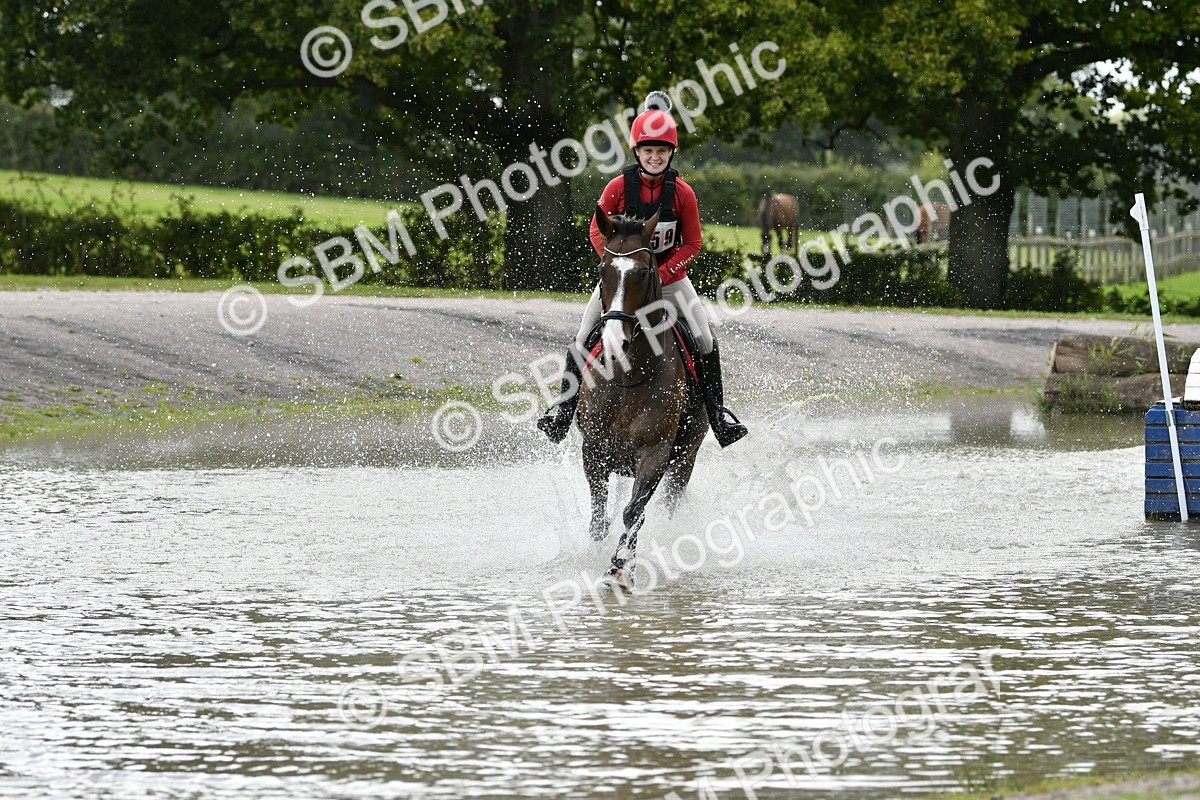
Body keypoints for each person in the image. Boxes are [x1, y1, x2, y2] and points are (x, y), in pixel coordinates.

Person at [537, 91, 748, 448]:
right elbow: (595, 228)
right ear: (637, 152)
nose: (654, 157)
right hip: (624, 279)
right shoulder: (618, 187)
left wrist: (660, 275)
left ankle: (718, 415)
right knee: (583, 335)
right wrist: (619, 266)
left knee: (705, 339)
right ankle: (563, 412)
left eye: (662, 152)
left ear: (671, 154)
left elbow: (692, 244)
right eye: (648, 151)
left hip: (669, 279)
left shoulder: (682, 193)